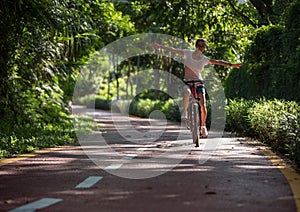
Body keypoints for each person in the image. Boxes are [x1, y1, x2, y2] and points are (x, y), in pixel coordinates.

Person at [152, 38, 242, 138]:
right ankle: (185, 112)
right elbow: (173, 49)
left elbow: (218, 62)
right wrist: (160, 47)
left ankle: (203, 126)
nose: (201, 48)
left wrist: (231, 65)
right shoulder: (187, 53)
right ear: (196, 46)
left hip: (199, 82)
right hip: (188, 82)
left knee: (203, 104)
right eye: (199, 45)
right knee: (186, 92)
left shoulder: (204, 59)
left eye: (203, 46)